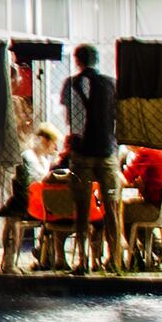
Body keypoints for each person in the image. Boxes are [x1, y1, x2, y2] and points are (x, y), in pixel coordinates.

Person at [55, 44, 124, 273]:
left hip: (82, 153)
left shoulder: (71, 84)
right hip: (107, 152)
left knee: (82, 209)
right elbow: (118, 116)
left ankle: (82, 261)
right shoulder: (112, 83)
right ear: (97, 59)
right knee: (111, 207)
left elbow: (70, 120)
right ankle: (114, 260)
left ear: (77, 60)